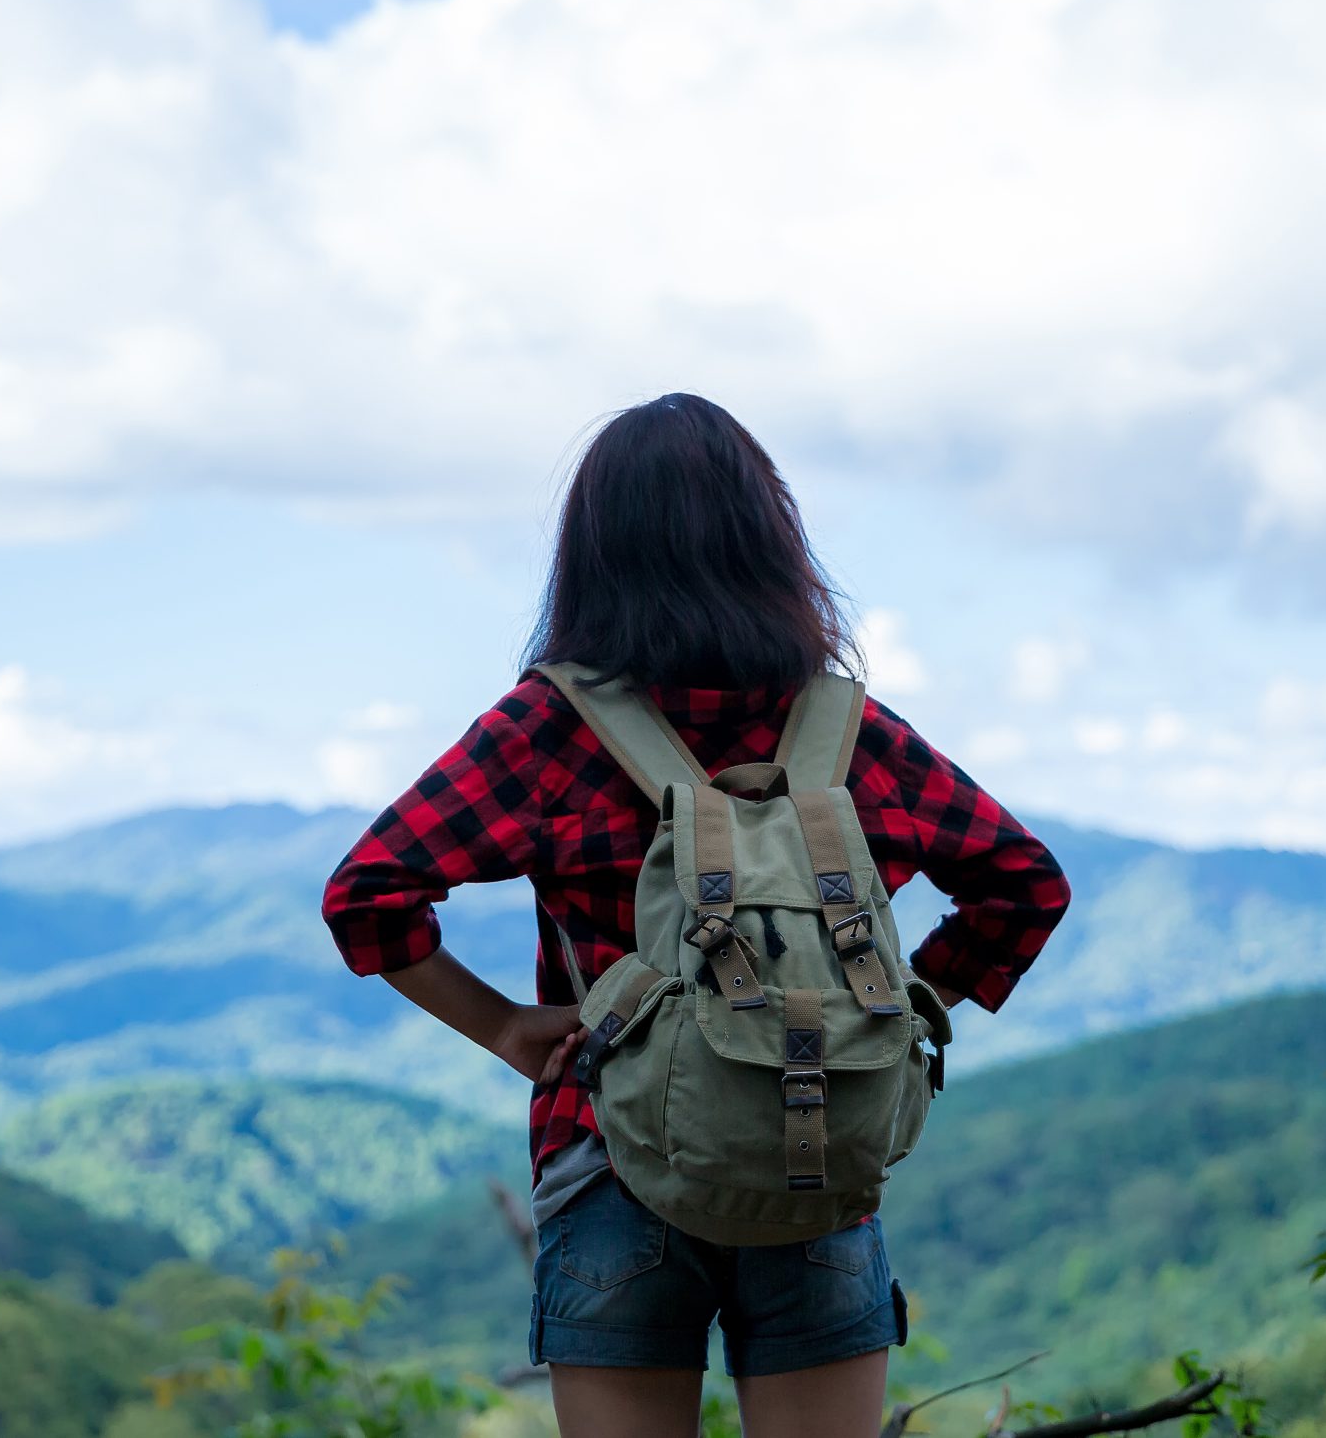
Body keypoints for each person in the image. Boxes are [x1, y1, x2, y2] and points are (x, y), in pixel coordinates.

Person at [323, 393, 1071, 1438]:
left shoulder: (549, 729)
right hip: (816, 1146)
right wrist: (901, 1007)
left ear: (592, 553)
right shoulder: (845, 731)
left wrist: (500, 1026)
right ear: (771, 541)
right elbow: (1024, 883)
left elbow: (368, 895)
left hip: (606, 1150)